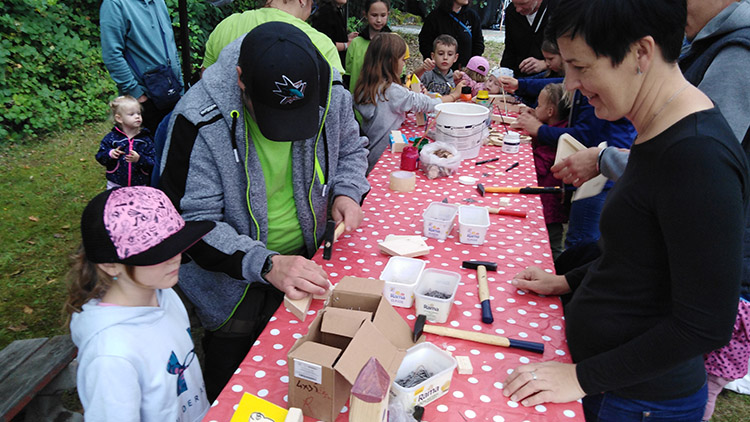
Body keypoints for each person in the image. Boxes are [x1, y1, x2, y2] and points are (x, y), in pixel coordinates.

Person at [502, 2, 749, 421]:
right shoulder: (658, 128)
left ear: (640, 53)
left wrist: (580, 378)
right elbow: (638, 252)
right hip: (612, 383)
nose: (572, 85)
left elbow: (704, 324)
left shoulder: (699, 157)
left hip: (639, 401)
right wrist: (567, 281)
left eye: (581, 67)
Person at [159, 22, 370, 401]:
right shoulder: (197, 118)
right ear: (241, 80)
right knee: (239, 387)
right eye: (273, 116)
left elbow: (352, 149)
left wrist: (347, 192)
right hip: (233, 282)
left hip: (312, 259)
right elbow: (190, 224)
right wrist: (268, 263)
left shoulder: (330, 91)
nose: (289, 133)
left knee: (318, 376)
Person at [553, 0, 750, 185]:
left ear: (641, 52)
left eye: (580, 66)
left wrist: (604, 158)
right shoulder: (707, 44)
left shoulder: (737, 55)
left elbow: (696, 164)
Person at [66, 186, 215, 421]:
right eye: (156, 253)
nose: (175, 257)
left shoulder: (165, 295)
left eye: (175, 244)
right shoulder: (110, 356)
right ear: (110, 265)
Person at [353, 33, 465, 173]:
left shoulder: (367, 86)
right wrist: (455, 95)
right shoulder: (392, 91)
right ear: (391, 61)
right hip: (384, 159)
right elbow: (429, 104)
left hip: (370, 157)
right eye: (403, 60)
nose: (404, 64)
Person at [100, 0, 183, 133]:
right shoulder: (115, 4)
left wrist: (180, 85)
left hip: (170, 91)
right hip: (143, 101)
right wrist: (136, 94)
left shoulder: (158, 1)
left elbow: (170, 45)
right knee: (146, 150)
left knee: (173, 148)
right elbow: (112, 54)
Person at [200, 0, 343, 74]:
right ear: (302, 1)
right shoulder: (320, 45)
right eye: (313, 5)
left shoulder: (226, 25)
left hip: (228, 127)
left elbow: (206, 82)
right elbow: (333, 110)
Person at [528, 83, 569, 259]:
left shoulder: (555, 137)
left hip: (551, 206)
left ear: (550, 111)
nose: (535, 108)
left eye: (538, 105)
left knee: (552, 247)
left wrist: (535, 132)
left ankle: (558, 273)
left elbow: (539, 165)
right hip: (549, 202)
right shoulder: (556, 129)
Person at [96, 95, 156, 189]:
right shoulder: (112, 138)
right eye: (131, 114)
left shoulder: (145, 139)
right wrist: (110, 154)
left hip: (140, 185)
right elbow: (100, 156)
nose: (137, 117)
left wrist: (139, 159)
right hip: (115, 184)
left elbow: (153, 161)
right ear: (119, 118)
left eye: (138, 113)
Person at [419, 0, 484, 70]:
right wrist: (432, 63)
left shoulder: (472, 16)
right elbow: (425, 43)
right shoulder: (434, 17)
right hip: (440, 73)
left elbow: (478, 44)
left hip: (464, 72)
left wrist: (470, 67)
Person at [346, 0, 392, 93]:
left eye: (383, 15)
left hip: (385, 101)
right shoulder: (356, 43)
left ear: (388, 14)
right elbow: (348, 73)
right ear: (365, 14)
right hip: (357, 100)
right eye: (374, 15)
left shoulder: (394, 42)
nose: (379, 20)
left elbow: (400, 73)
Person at [500, 0, 554, 78]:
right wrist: (503, 73)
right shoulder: (511, 12)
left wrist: (546, 64)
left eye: (523, 4)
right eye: (515, 4)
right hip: (519, 76)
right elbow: (510, 49)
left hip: (551, 77)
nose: (518, 9)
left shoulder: (557, 9)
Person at [310, 0, 358, 70]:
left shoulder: (334, 9)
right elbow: (323, 44)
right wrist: (346, 45)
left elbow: (331, 36)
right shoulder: (326, 11)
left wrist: (345, 37)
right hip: (330, 68)